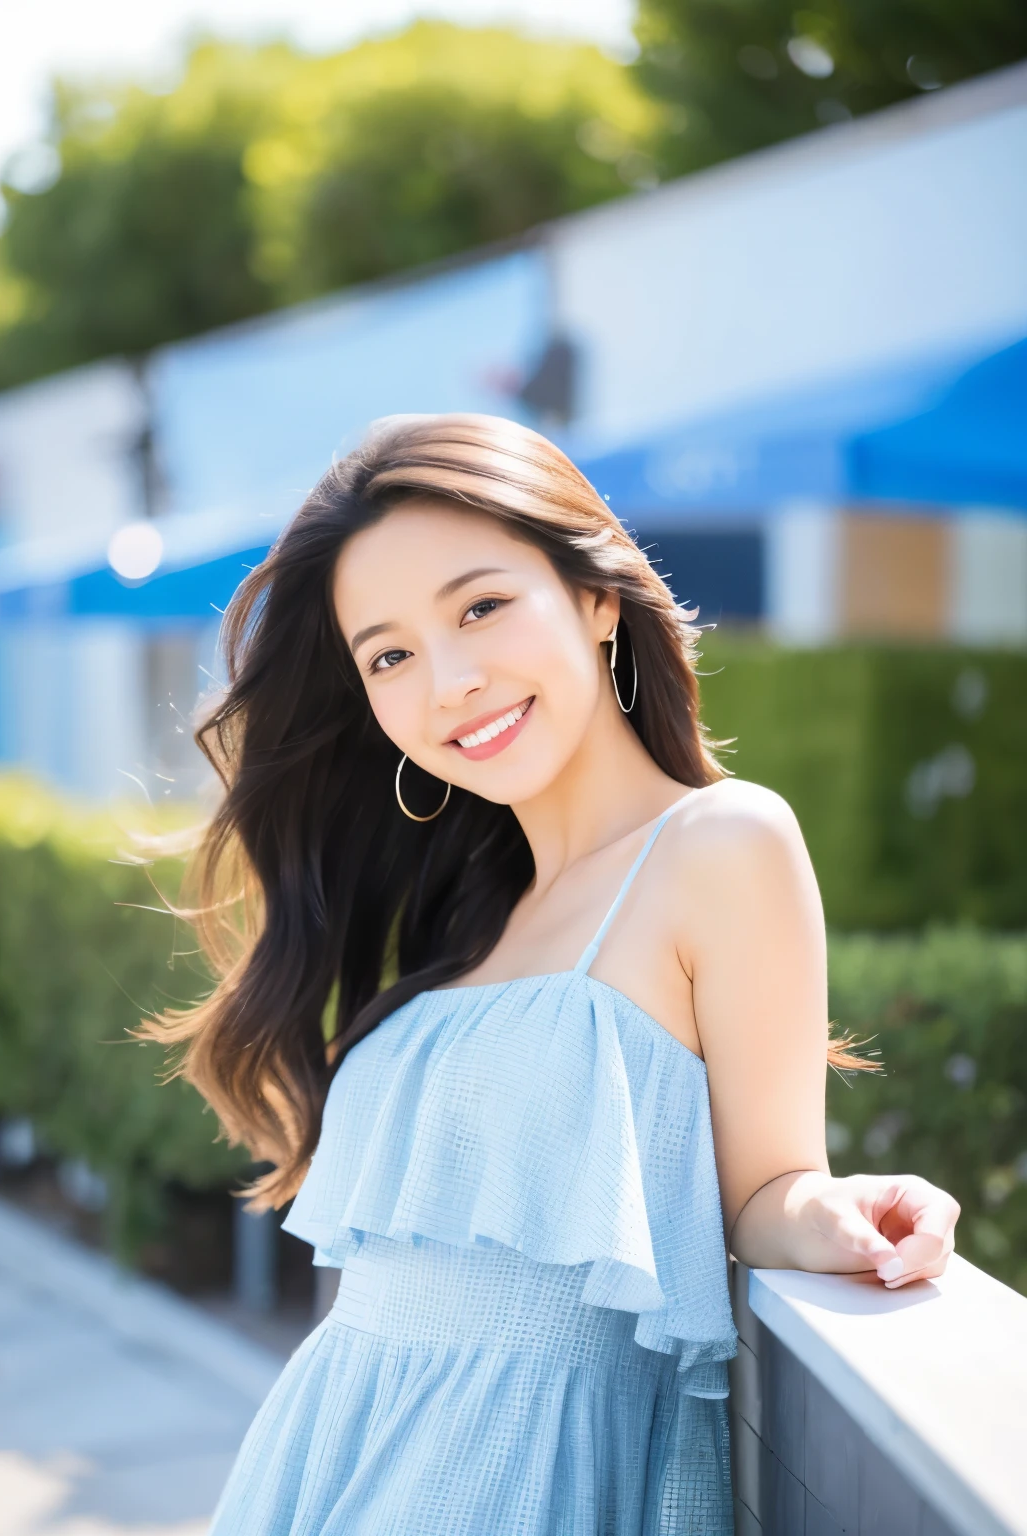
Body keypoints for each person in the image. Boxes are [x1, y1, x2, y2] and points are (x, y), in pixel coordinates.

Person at [147, 415, 959, 1535]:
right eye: (389, 655)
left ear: (594, 596)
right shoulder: (471, 908)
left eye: (480, 607)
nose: (450, 683)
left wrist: (843, 1212)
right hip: (327, 1458)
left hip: (516, 1480)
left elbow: (768, 1189)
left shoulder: (721, 846)